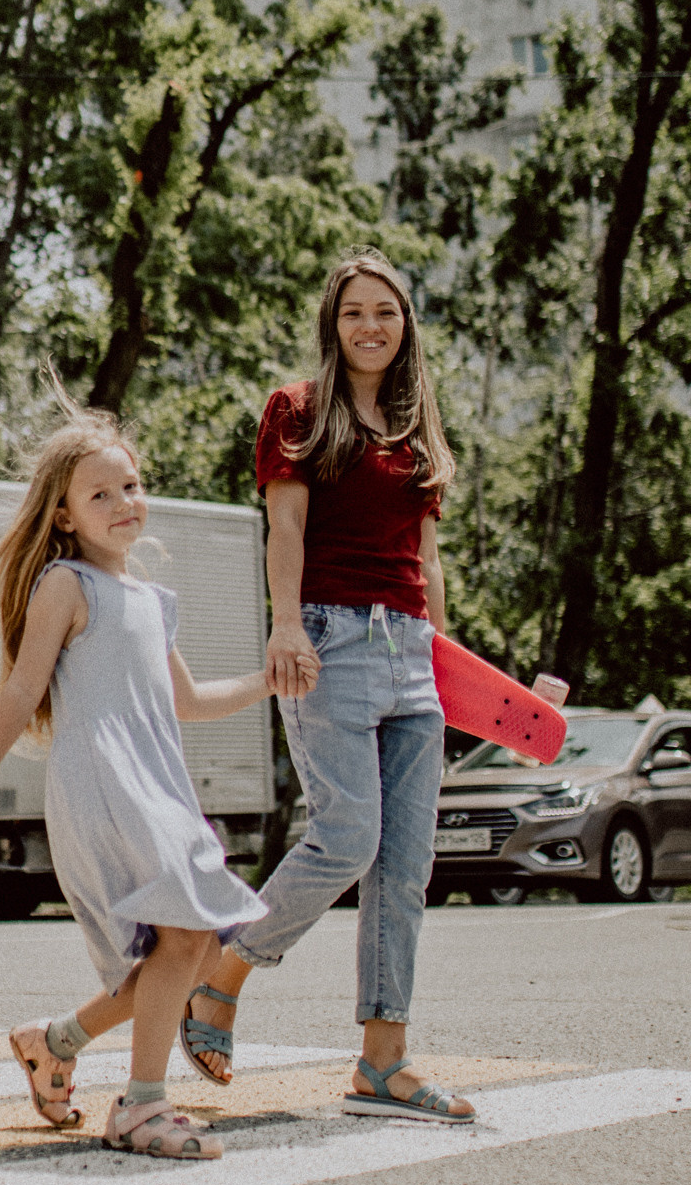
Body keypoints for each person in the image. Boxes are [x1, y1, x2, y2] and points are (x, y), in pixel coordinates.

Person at [177, 250, 473, 1128]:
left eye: (385, 312)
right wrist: (286, 624)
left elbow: (425, 560)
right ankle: (224, 973)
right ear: (332, 324)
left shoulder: (419, 424)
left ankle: (385, 1060)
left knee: (404, 866)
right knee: (346, 837)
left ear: (405, 323)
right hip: (331, 645)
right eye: (354, 314)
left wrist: (446, 664)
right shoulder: (297, 410)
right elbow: (286, 527)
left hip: (412, 654)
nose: (370, 327)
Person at [0, 402, 272, 1160]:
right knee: (184, 936)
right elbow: (22, 691)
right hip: (103, 782)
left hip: (157, 783)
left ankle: (52, 1042)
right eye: (101, 495)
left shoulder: (152, 602)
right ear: (62, 516)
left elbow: (188, 702)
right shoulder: (66, 584)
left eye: (131, 487)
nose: (125, 504)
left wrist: (271, 683)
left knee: (182, 953)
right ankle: (143, 1108)